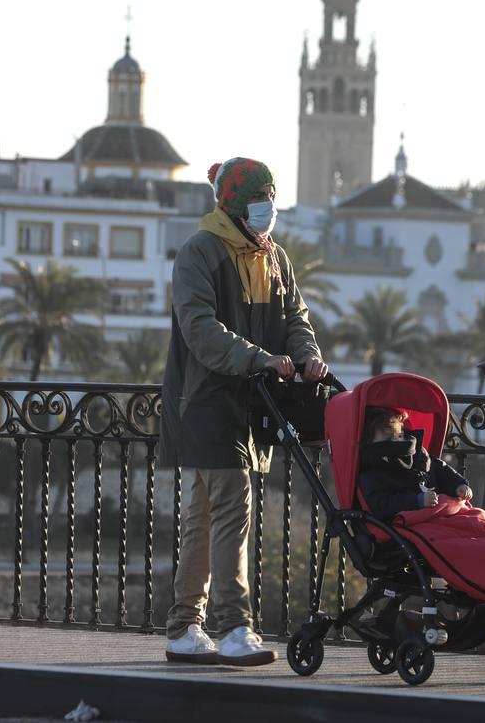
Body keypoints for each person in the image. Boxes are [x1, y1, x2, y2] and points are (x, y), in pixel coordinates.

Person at [161, 157, 327, 666]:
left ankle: (184, 626)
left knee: (202, 517)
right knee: (232, 507)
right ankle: (235, 627)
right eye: (259, 198)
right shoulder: (201, 252)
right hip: (206, 401)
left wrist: (306, 355)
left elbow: (294, 314)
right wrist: (259, 358)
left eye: (272, 197)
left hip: (252, 400)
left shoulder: (273, 257)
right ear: (233, 203)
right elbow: (200, 329)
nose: (268, 208)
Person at [358, 407, 472, 523]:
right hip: (413, 523)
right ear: (368, 440)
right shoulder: (371, 470)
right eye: (387, 437)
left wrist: (458, 485)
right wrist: (417, 501)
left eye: (395, 434)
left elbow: (438, 468)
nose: (393, 440)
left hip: (443, 511)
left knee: (480, 519)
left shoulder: (416, 453)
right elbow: (381, 504)